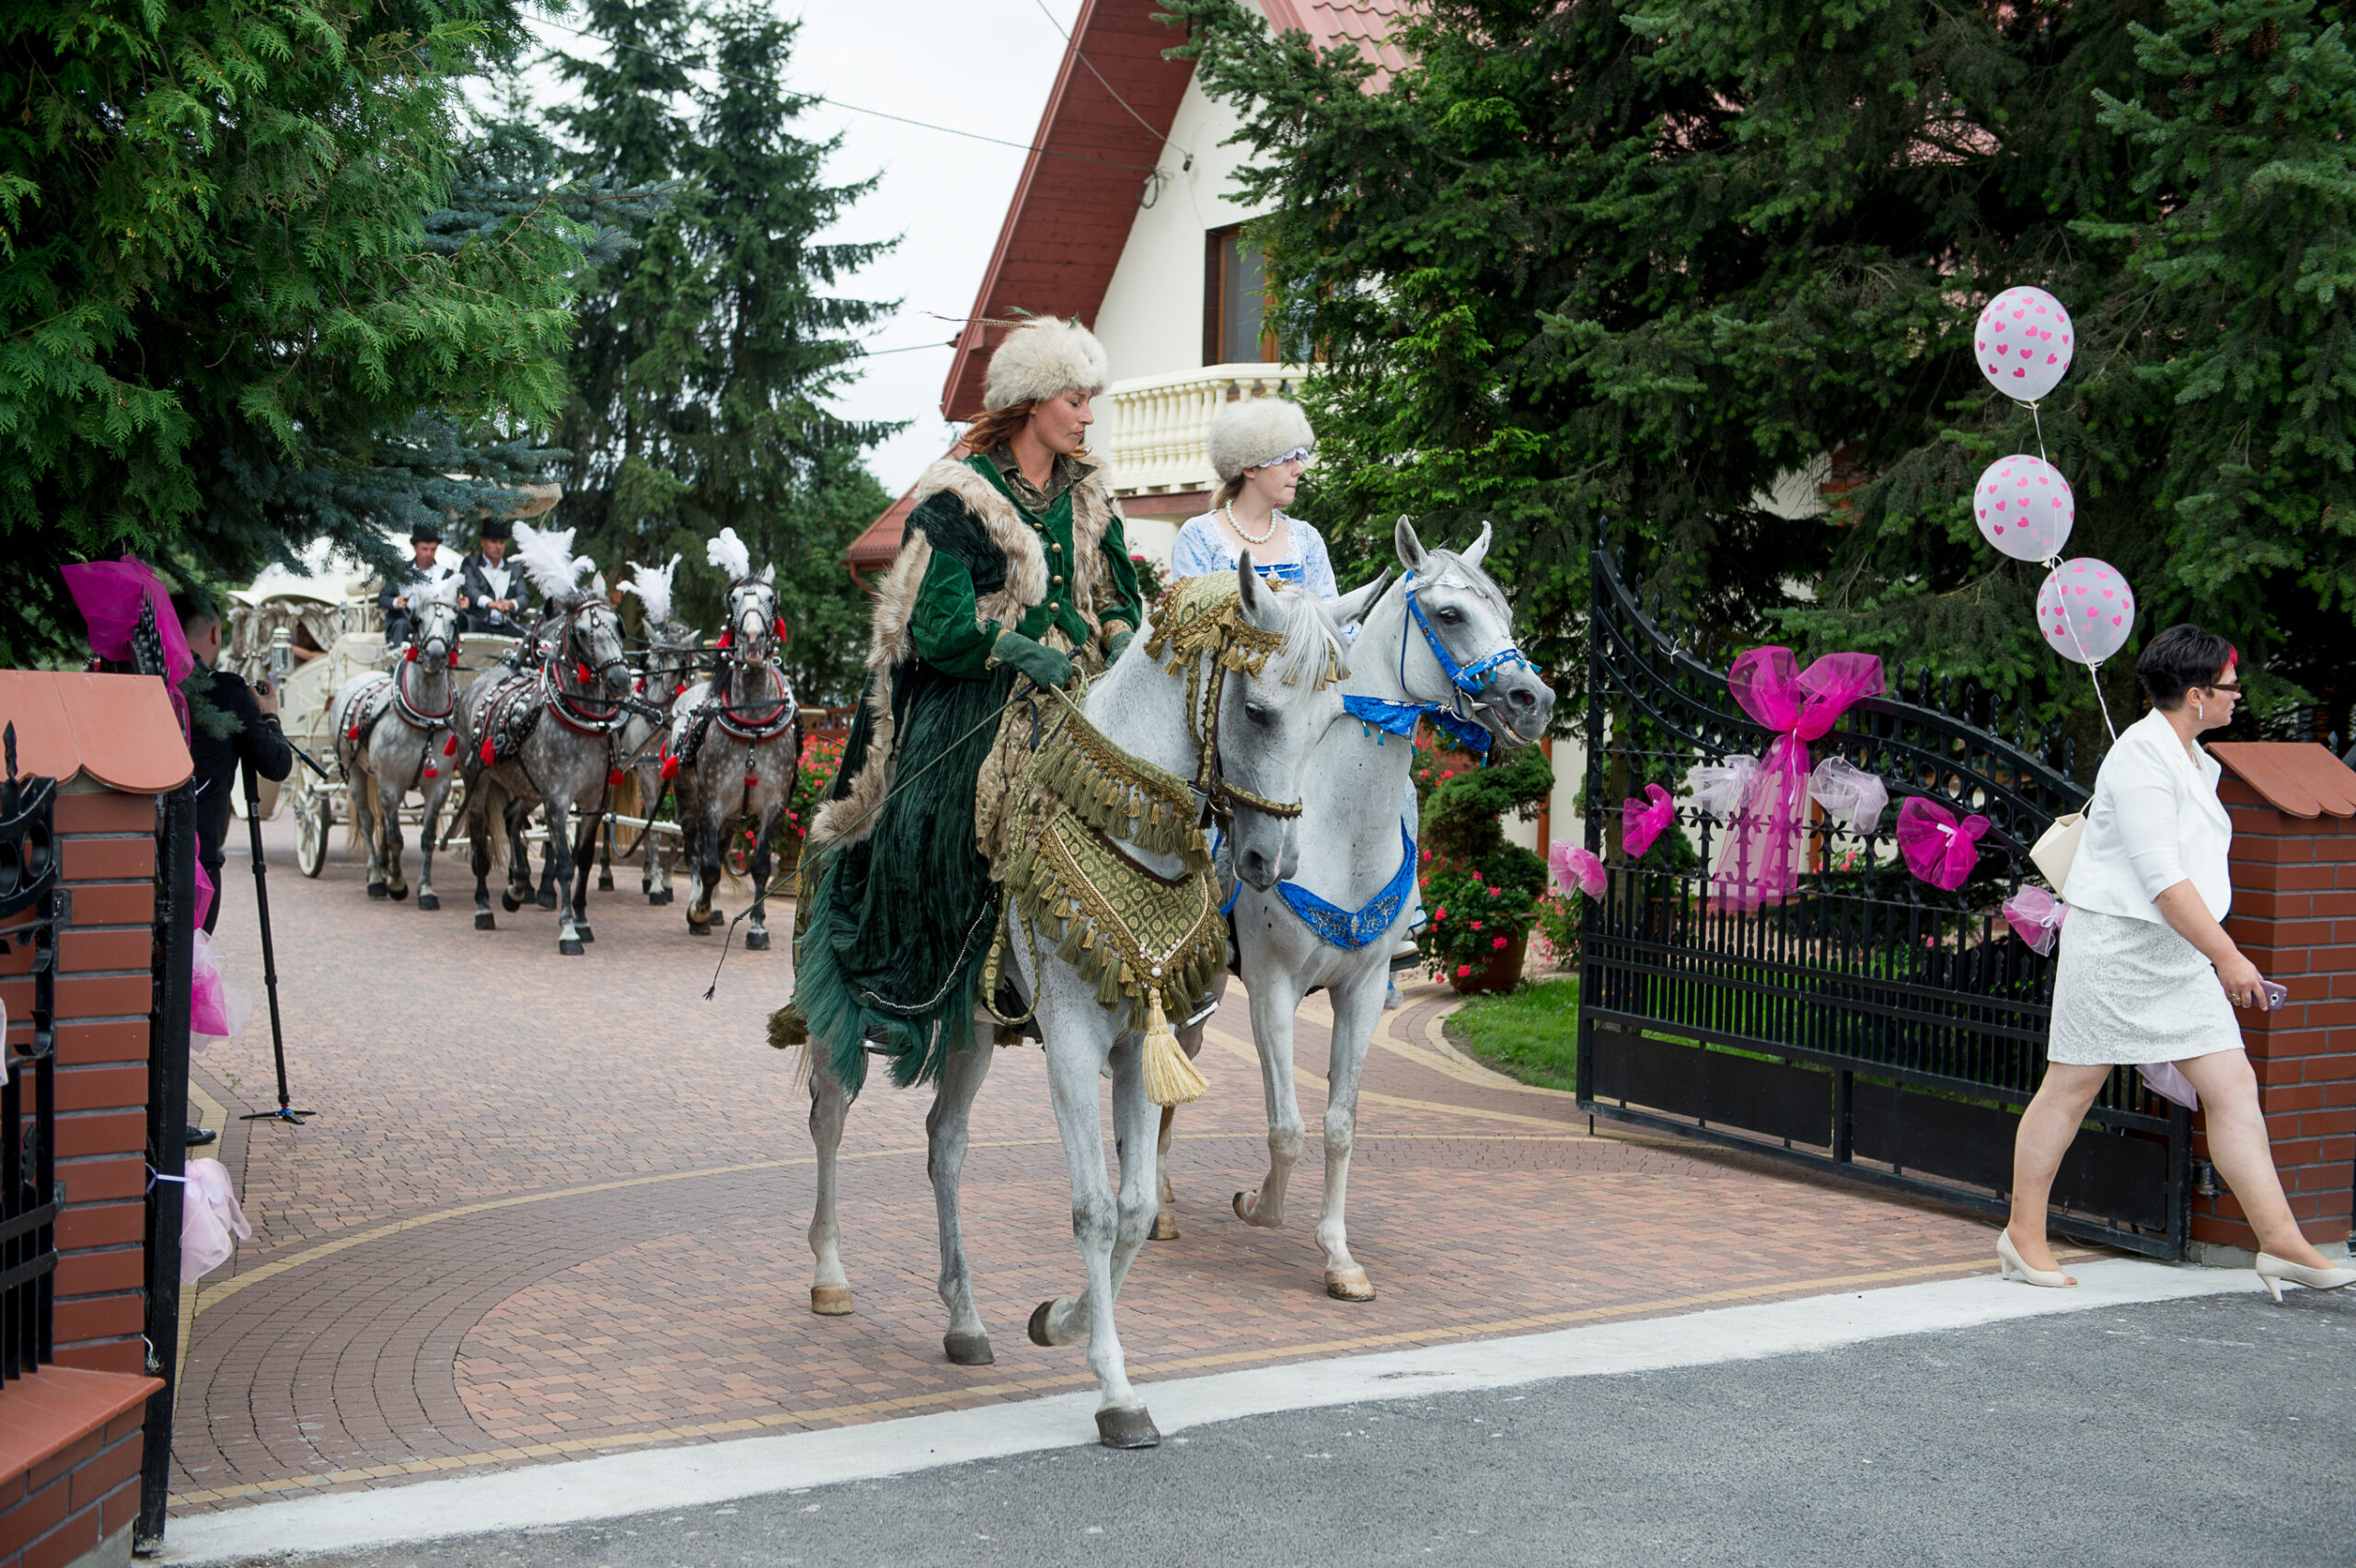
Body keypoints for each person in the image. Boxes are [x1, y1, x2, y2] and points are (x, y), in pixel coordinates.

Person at [786, 317, 1145, 1086]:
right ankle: (926, 984)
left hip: (1082, 684)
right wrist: (1016, 648)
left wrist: (1119, 637)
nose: (1088, 416)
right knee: (937, 816)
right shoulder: (957, 499)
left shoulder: (1090, 492)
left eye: (1090, 401)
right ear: (1032, 402)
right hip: (975, 691)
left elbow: (1118, 593)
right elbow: (939, 628)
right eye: (1076, 400)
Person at [2001, 624, 2356, 1300]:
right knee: (2071, 1089)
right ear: (2197, 695)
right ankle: (2023, 1235)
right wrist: (2229, 959)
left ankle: (2280, 1242)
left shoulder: (2193, 757)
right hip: (2118, 948)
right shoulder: (2140, 758)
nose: (2238, 695)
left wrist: (2213, 954)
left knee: (2233, 1087)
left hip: (2178, 951)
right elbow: (2162, 879)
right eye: (2229, 685)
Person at [1172, 398, 1424, 999]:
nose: (1299, 469)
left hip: (1308, 712)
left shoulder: (1306, 539)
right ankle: (1205, 926)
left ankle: (1397, 922)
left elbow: (1338, 629)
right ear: (1250, 465)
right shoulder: (1199, 537)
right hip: (1236, 712)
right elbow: (1189, 630)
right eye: (1288, 457)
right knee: (1200, 803)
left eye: (1300, 457)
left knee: (1399, 780)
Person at [173, 589, 295, 1147]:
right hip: (199, 862)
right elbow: (276, 764)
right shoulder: (226, 692)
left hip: (147, 851)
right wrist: (268, 715)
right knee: (181, 983)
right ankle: (169, 1111)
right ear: (216, 633)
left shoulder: (152, 684)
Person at [379, 523, 456, 646]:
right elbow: (383, 598)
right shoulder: (400, 572)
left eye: (433, 549)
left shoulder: (445, 574)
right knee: (401, 625)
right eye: (424, 549)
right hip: (406, 622)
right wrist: (396, 602)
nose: (429, 554)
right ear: (415, 547)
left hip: (436, 624)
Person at [457, 516, 534, 638]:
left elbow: (524, 597)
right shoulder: (470, 564)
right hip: (479, 626)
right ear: (482, 542)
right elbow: (471, 590)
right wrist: (492, 604)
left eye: (501, 542)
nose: (498, 547)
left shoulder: (514, 568)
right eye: (493, 541)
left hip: (508, 626)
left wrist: (510, 604)